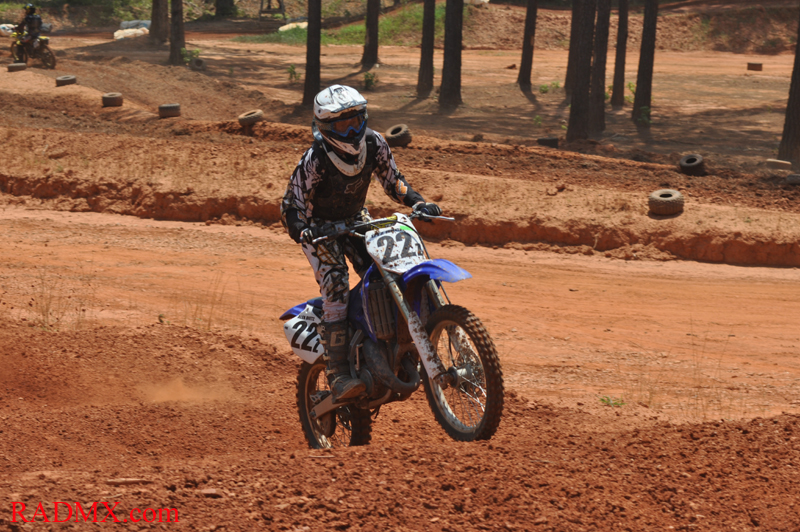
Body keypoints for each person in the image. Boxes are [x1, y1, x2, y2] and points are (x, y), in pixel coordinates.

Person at [281, 84, 441, 402]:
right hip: (320, 230)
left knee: (389, 268)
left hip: (356, 220)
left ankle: (389, 338)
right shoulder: (315, 159)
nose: (352, 131)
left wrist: (417, 201)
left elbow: (393, 181)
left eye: (355, 121)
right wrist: (301, 229)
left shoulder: (374, 142)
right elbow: (290, 206)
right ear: (326, 127)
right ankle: (338, 373)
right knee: (337, 285)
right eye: (342, 125)